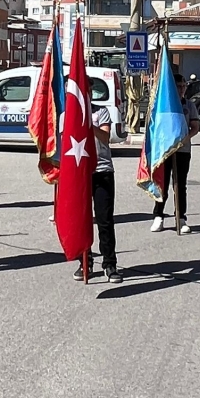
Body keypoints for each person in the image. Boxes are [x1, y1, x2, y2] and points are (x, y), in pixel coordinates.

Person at [73, 104, 123, 284]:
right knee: (81, 220)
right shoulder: (70, 111)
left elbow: (105, 137)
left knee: (105, 219)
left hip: (102, 171)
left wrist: (89, 124)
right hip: (80, 171)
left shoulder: (101, 111)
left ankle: (110, 263)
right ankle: (85, 261)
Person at [151, 74, 200, 233]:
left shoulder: (189, 105)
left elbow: (195, 127)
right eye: (178, 87)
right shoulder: (164, 104)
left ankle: (181, 217)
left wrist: (184, 138)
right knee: (162, 184)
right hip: (165, 150)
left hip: (182, 150)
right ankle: (158, 216)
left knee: (180, 185)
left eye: (184, 86)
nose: (181, 90)